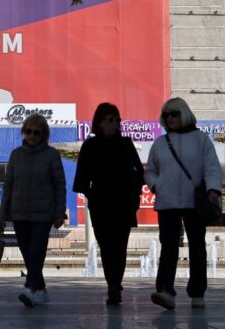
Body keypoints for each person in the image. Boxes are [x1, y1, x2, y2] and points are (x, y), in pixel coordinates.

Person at [145, 98, 222, 310]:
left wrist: (213, 190)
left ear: (184, 114)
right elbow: (150, 170)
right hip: (167, 201)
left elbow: (212, 167)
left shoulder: (201, 139)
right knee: (168, 247)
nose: (169, 118)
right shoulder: (160, 143)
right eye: (166, 114)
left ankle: (197, 293)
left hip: (194, 201)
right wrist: (155, 185)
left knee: (197, 247)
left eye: (174, 114)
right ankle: (165, 291)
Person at [73, 102, 145, 305]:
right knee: (106, 246)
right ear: (100, 122)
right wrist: (92, 195)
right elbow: (81, 179)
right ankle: (112, 283)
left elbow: (140, 172)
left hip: (124, 203)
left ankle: (115, 285)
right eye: (111, 119)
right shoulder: (90, 146)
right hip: (101, 204)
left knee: (120, 246)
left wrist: (135, 195)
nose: (115, 123)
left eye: (117, 120)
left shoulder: (126, 144)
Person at [0, 114, 66, 308]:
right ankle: (41, 290)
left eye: (37, 133)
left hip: (43, 214)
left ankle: (30, 287)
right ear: (23, 132)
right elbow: (8, 185)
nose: (32, 136)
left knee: (37, 250)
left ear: (44, 135)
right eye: (28, 131)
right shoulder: (16, 155)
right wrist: (2, 216)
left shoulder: (52, 155)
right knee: (28, 253)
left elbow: (59, 186)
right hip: (19, 213)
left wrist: (59, 212)